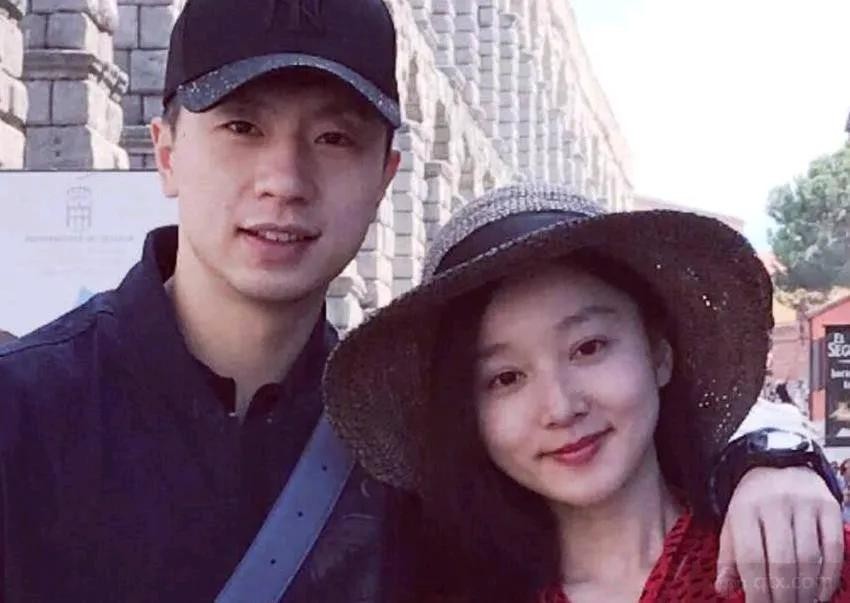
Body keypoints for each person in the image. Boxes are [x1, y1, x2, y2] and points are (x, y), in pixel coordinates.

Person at [0, 0, 841, 600]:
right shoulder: (21, 416)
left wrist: (769, 454)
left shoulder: (402, 467)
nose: (284, 180)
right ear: (166, 151)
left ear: (385, 175)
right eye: (242, 127)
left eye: (334, 136)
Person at [324, 183, 849, 602]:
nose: (560, 406)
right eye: (506, 378)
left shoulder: (805, 569)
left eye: (589, 348)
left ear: (659, 353)